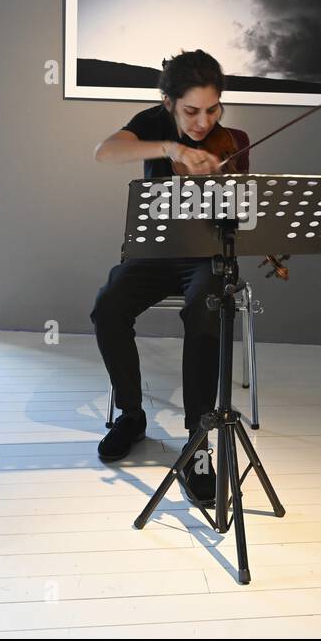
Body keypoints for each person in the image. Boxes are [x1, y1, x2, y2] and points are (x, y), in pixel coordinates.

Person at [90, 49, 248, 504]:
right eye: (191, 111)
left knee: (205, 309)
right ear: (168, 102)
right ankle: (132, 415)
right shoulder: (154, 123)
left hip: (207, 255)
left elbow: (243, 212)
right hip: (156, 252)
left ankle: (198, 440)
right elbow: (105, 152)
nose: (203, 123)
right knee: (108, 307)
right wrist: (170, 147)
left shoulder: (232, 139)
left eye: (213, 109)